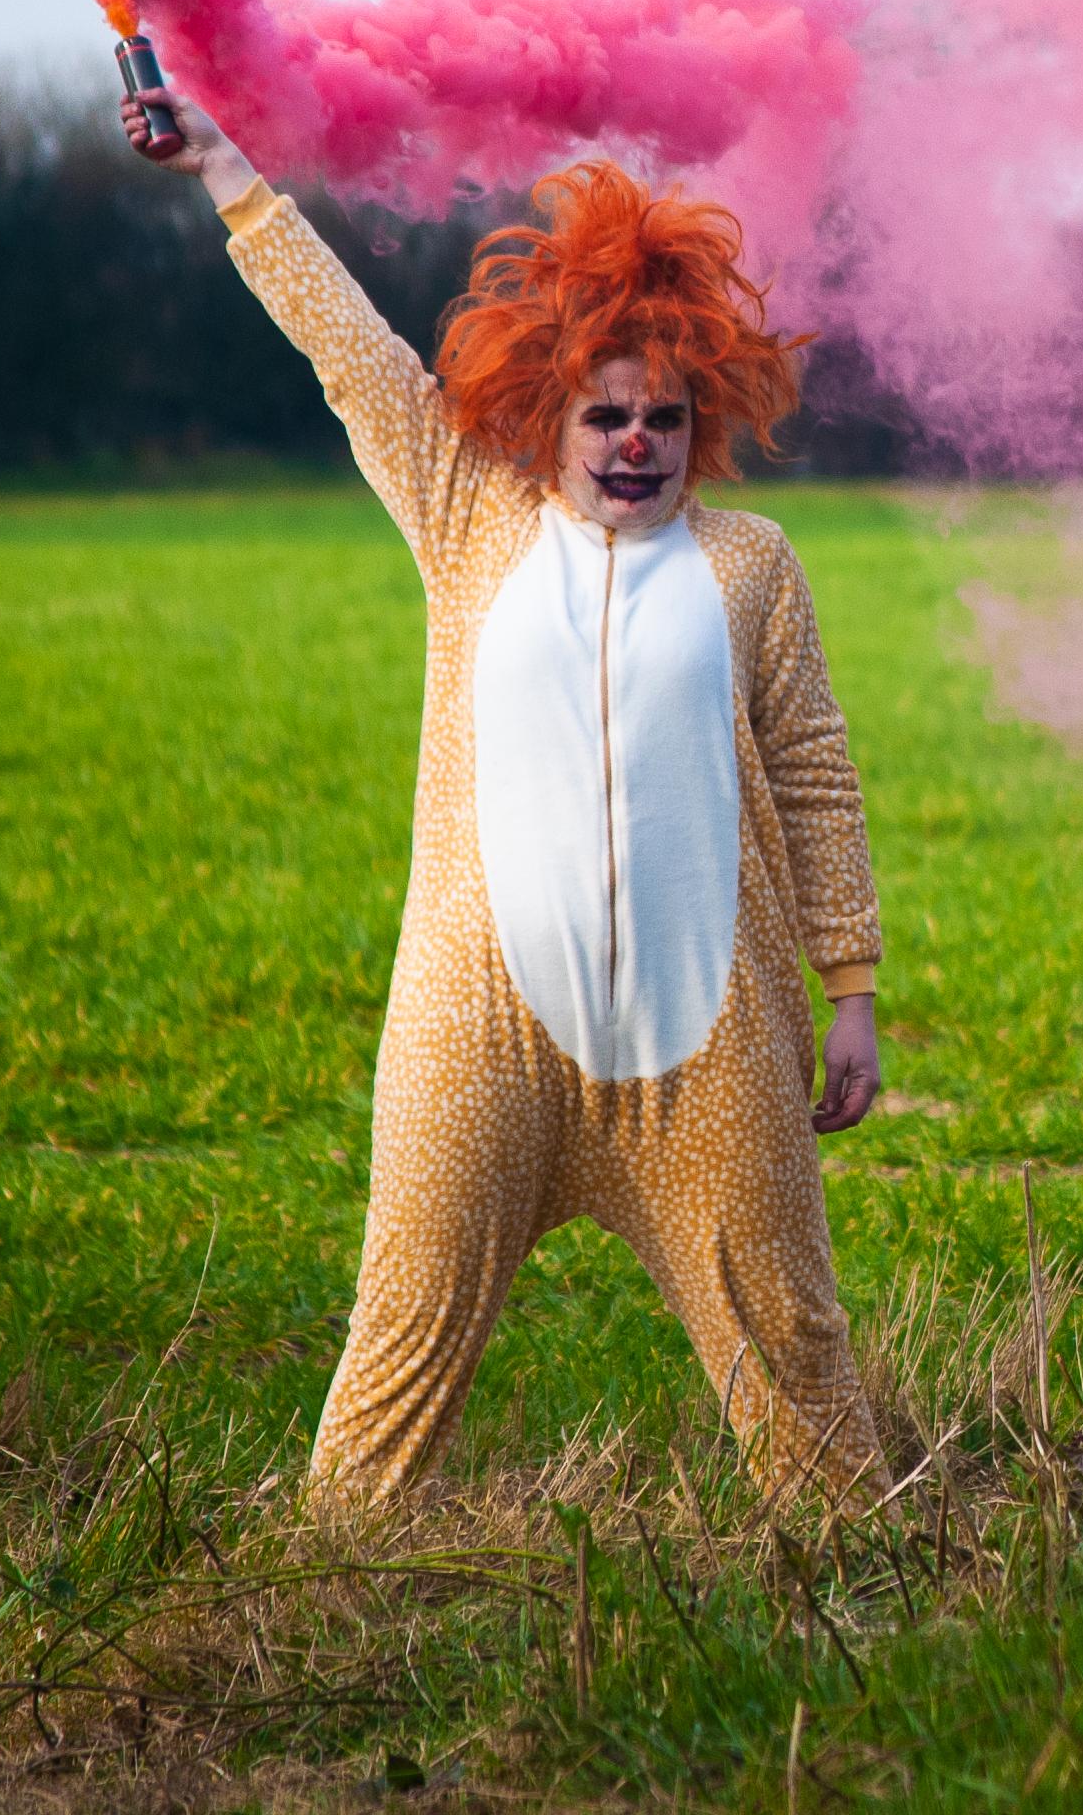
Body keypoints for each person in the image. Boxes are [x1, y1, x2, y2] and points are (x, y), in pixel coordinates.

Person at [130, 83, 885, 1506]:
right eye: (605, 415)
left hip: (713, 1046)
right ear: (552, 414)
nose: (633, 443)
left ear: (697, 418)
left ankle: (873, 1583)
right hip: (479, 1033)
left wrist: (849, 988)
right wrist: (223, 168)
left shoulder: (753, 564)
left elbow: (817, 772)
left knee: (799, 1362)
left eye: (663, 416)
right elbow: (349, 351)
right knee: (393, 1356)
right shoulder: (467, 509)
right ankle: (329, 1596)